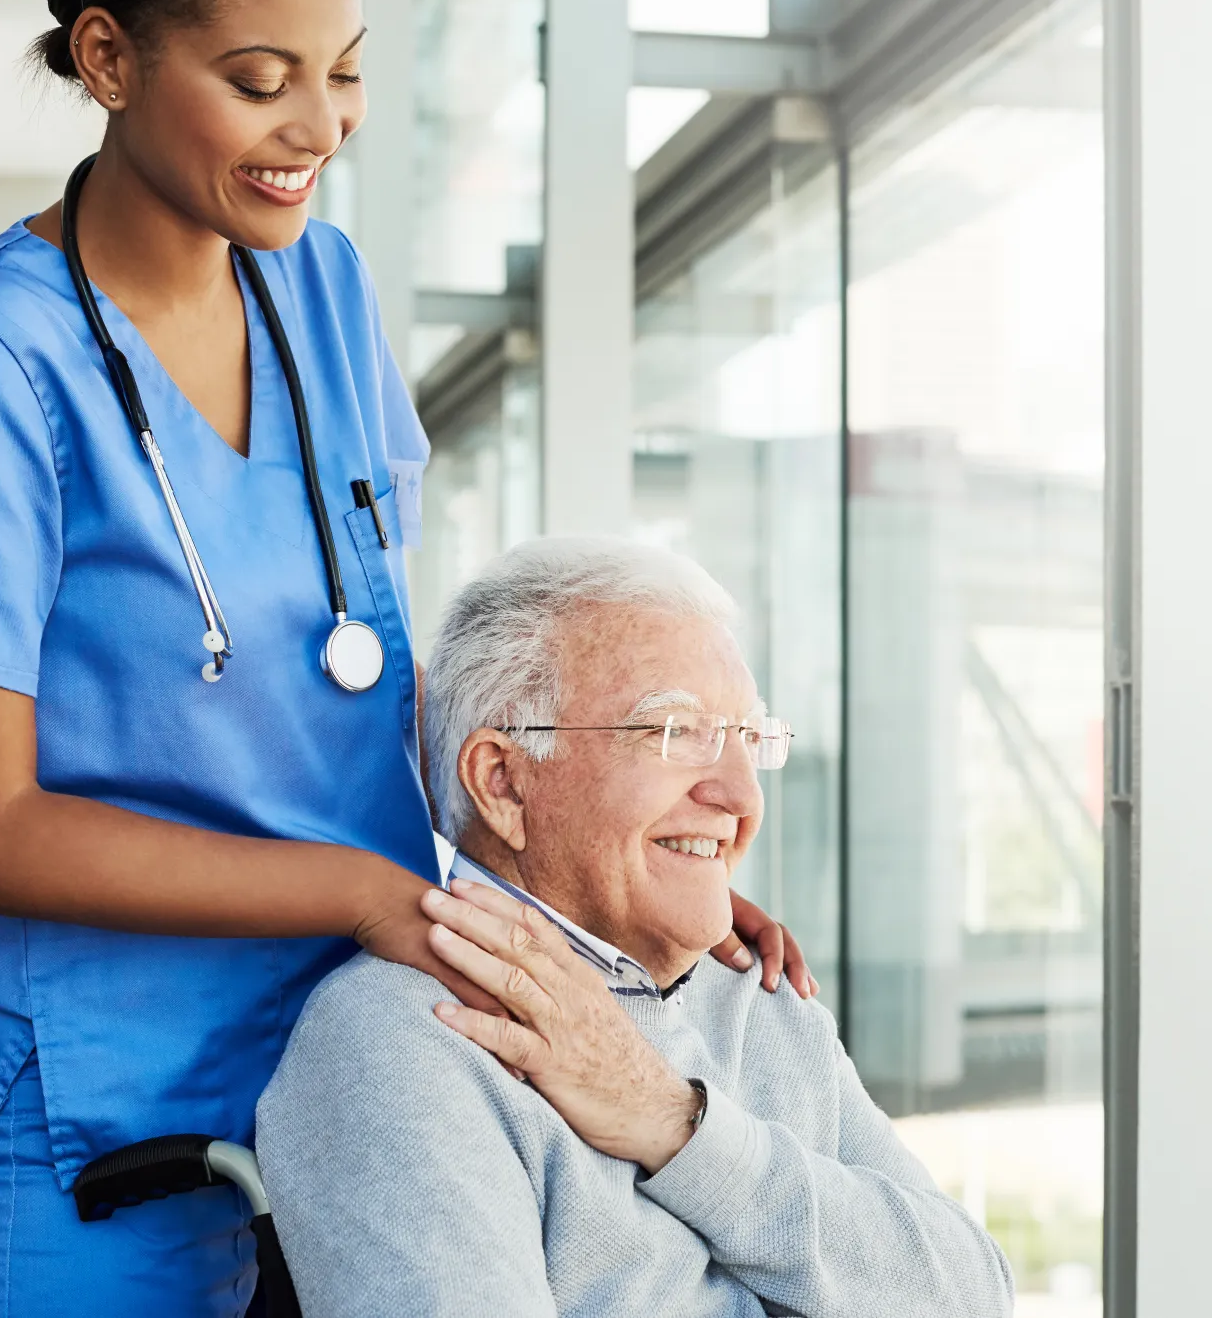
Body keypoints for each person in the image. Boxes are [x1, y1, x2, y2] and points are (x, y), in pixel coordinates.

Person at [0, 0, 804, 1315]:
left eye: (343, 69)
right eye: (257, 78)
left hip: (365, 1076)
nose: (318, 126)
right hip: (103, 1129)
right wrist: (357, 889)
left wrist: (612, 864)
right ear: (106, 59)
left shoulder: (324, 290)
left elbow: (353, 672)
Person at [255, 537, 1015, 1317]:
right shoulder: (405, 1036)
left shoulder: (763, 1000)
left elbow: (972, 1294)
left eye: (748, 740)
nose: (739, 796)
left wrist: (676, 1125)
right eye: (676, 733)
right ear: (503, 783)